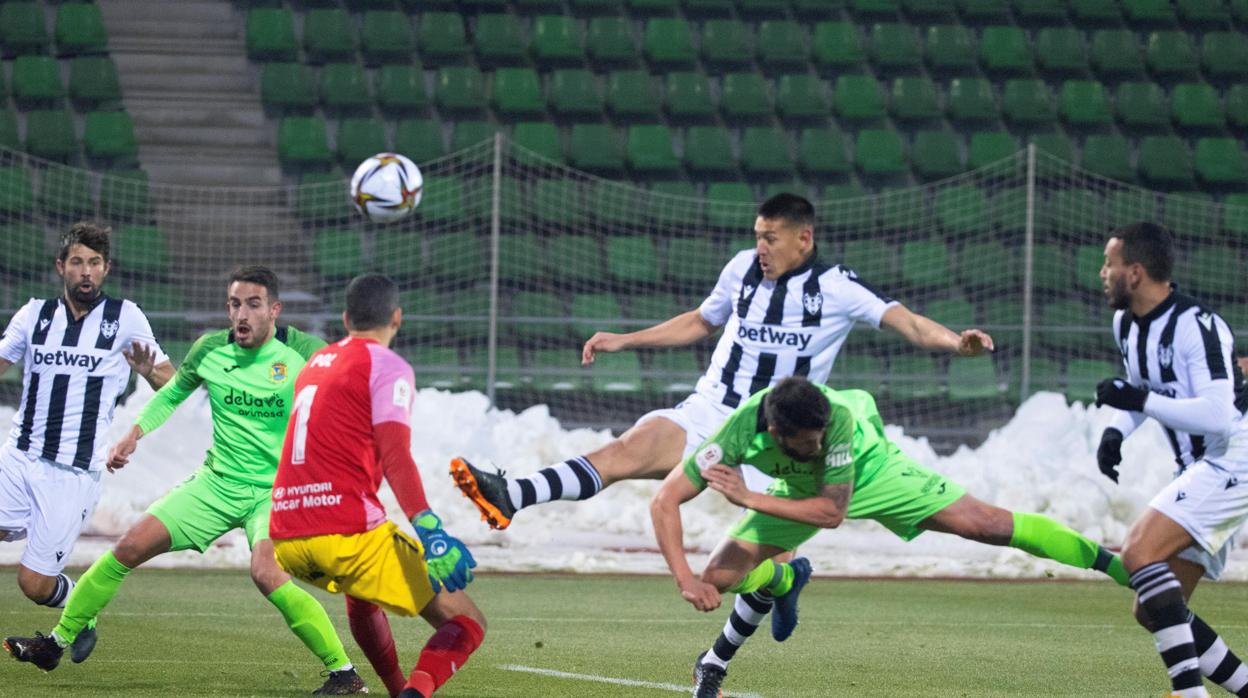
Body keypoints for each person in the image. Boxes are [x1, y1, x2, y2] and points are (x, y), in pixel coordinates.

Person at [451, 193, 994, 530]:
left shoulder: (837, 287)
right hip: (711, 409)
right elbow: (700, 321)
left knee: (761, 560)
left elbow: (910, 323)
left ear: (804, 239)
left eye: (772, 238)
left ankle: (784, 584)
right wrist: (625, 339)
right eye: (758, 236)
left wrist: (956, 342)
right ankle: (512, 495)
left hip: (774, 433)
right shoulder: (741, 268)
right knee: (625, 451)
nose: (761, 246)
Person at [4, 266, 366, 695]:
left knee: (266, 573)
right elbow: (173, 391)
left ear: (275, 310)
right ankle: (55, 644)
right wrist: (134, 433)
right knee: (129, 547)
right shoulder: (210, 350)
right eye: (234, 304)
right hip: (216, 485)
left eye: (253, 304)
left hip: (276, 492)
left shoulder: (306, 352)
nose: (241, 314)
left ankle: (343, 672)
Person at [651, 376, 1130, 698]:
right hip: (796, 493)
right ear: (776, 433)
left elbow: (831, 512)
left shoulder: (834, 423)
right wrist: (684, 580)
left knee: (987, 525)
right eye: (805, 444)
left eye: (820, 438)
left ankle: (1118, 566)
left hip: (875, 473)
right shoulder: (735, 435)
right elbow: (664, 501)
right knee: (718, 576)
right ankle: (777, 587)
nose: (816, 446)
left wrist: (750, 498)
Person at [269, 273, 484, 698]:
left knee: (361, 596)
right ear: (397, 318)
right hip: (345, 534)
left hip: (288, 541)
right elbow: (396, 457)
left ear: (346, 318)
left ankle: (394, 689)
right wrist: (431, 531)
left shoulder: (316, 362)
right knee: (467, 622)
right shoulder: (388, 366)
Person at [0, 222, 173, 663]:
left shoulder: (125, 317)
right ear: (61, 267)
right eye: (77, 262)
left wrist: (147, 371)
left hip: (72, 473)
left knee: (34, 585)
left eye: (94, 263)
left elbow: (171, 384)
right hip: (20, 456)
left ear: (106, 269)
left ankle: (82, 612)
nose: (86, 272)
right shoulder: (34, 315)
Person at [1092, 223, 1248, 698]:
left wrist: (1140, 402)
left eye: (1110, 264)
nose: (1102, 273)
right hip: (1203, 468)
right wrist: (1117, 431)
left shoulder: (1196, 327)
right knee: (1155, 607)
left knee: (1138, 552)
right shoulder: (1126, 324)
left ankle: (1188, 692)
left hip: (1233, 458)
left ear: (1135, 273)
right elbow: (1147, 390)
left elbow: (1219, 416)